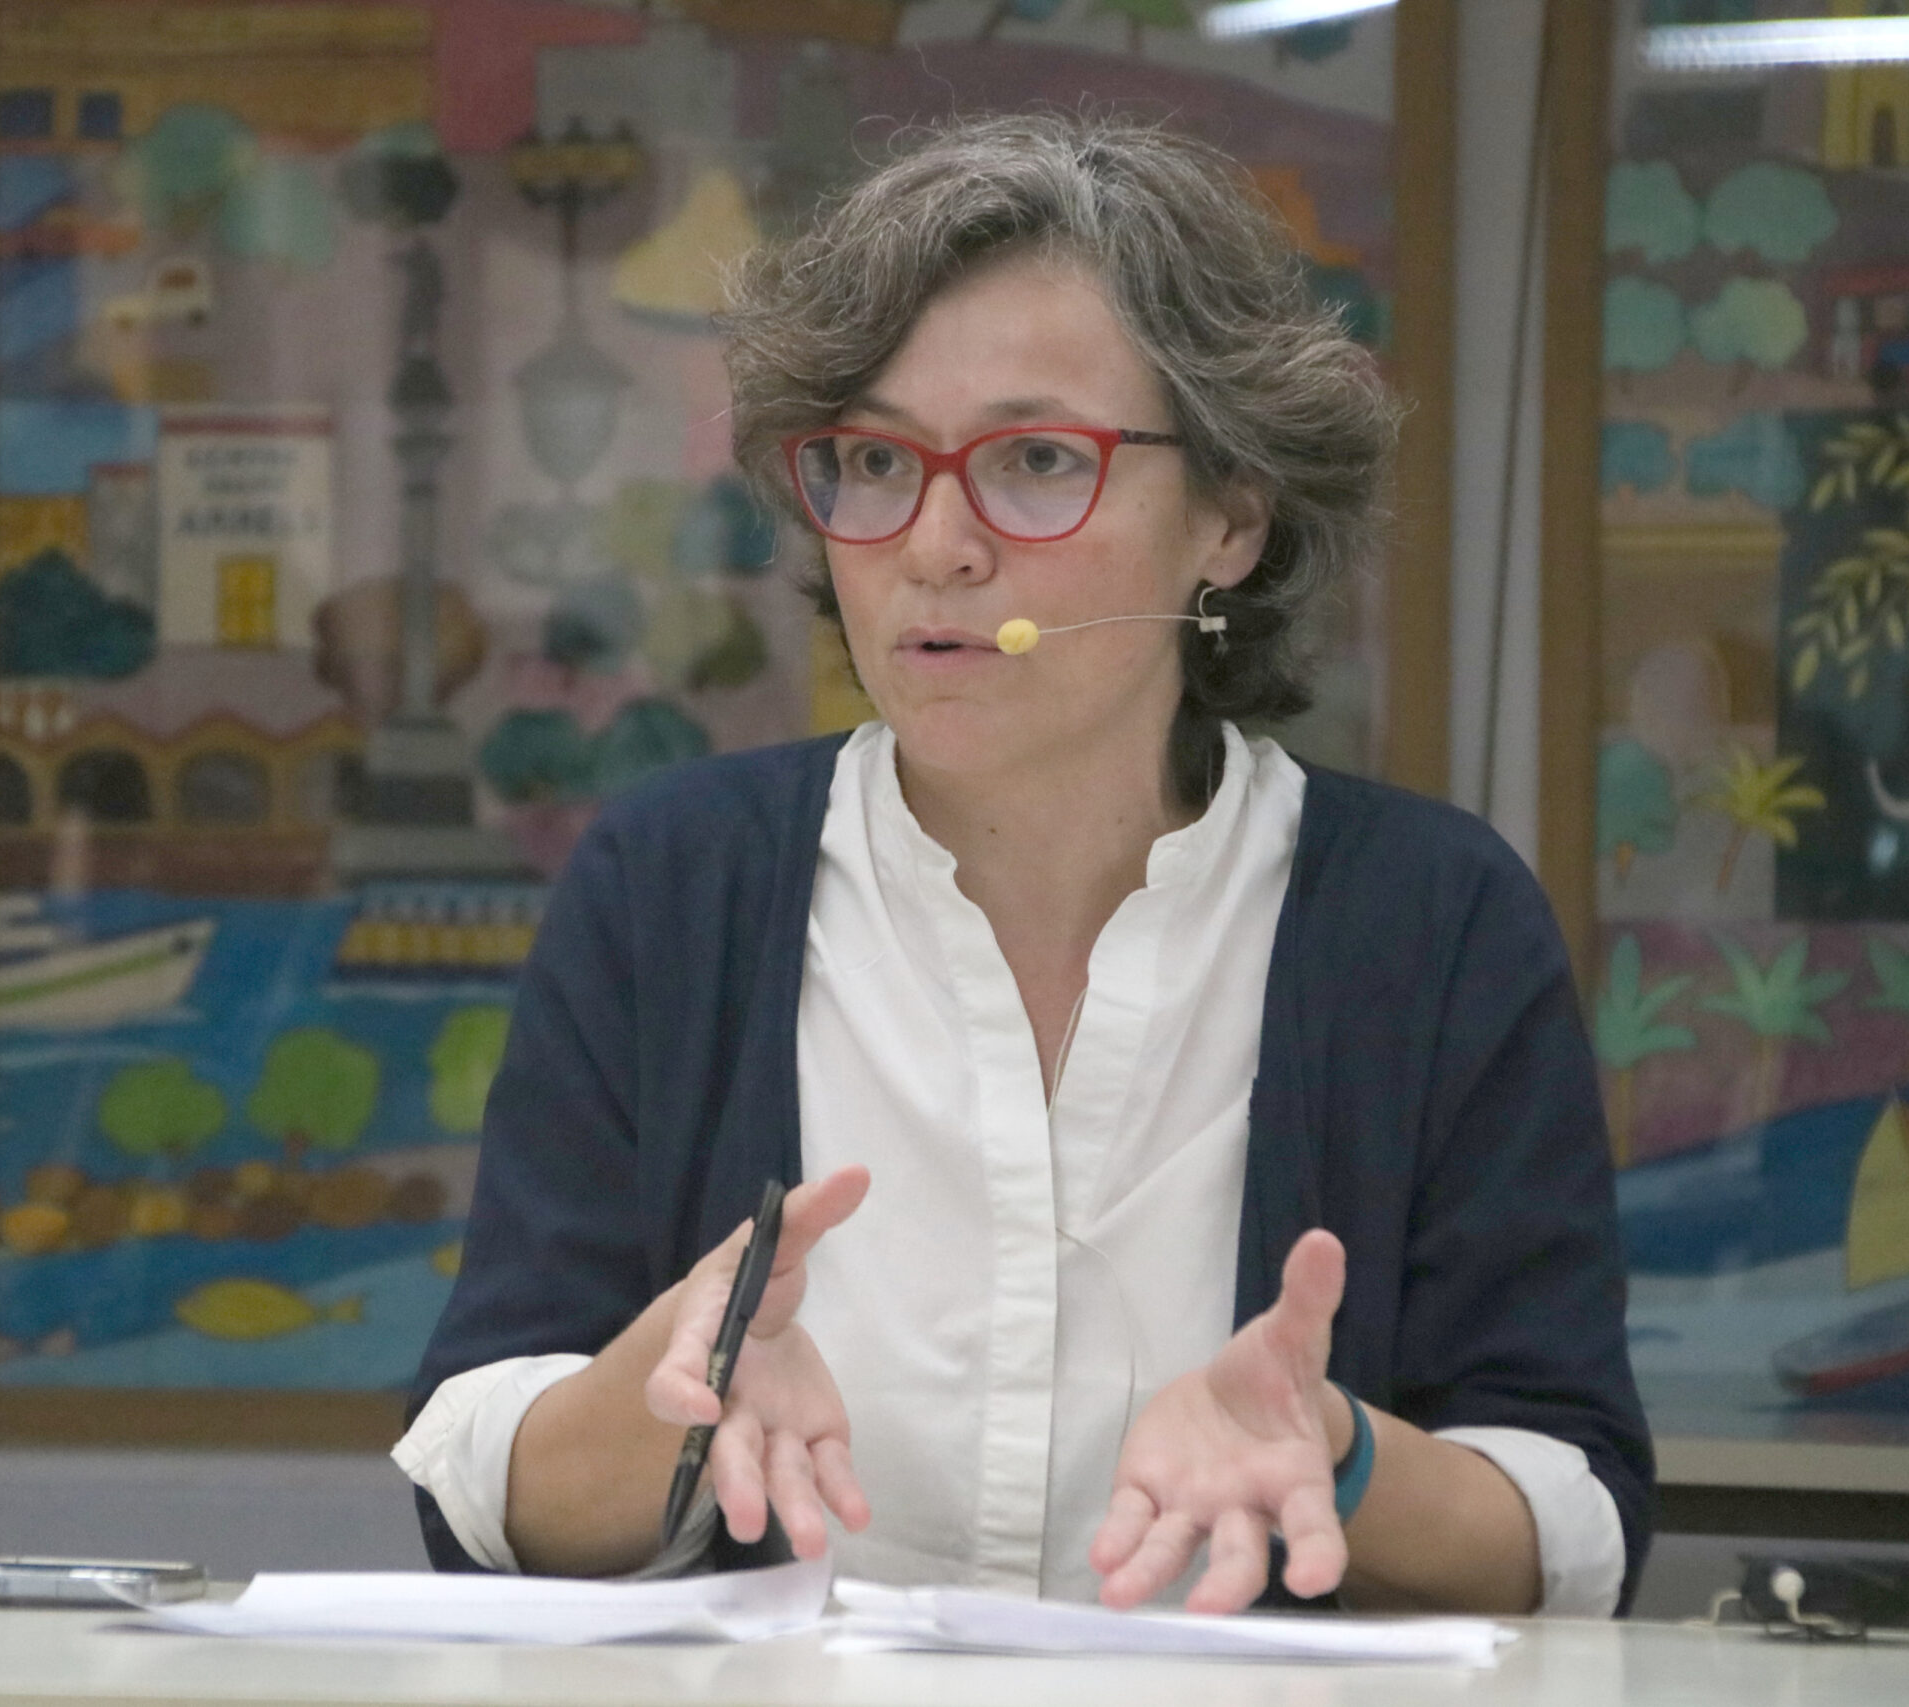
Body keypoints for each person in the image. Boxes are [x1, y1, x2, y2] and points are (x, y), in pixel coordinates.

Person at [396, 112, 1651, 1616]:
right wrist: (664, 1401)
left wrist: (1340, 1452)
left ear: (1231, 517)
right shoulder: (672, 887)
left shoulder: (1431, 919)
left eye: (1038, 459)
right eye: (875, 461)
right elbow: (480, 1490)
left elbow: (1572, 1526)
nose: (934, 545)